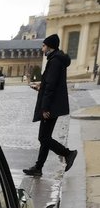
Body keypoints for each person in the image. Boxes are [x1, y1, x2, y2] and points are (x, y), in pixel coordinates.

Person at [23, 34, 77, 177]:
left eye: (44, 45)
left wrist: (45, 108)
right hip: (53, 104)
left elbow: (52, 86)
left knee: (44, 138)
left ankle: (68, 153)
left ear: (50, 46)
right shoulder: (56, 59)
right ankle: (38, 167)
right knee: (45, 137)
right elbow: (50, 83)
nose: (42, 48)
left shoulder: (54, 61)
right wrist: (40, 86)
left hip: (51, 106)